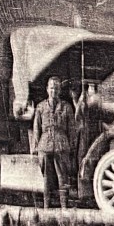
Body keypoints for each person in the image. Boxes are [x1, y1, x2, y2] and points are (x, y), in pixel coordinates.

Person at [31, 76, 74, 209]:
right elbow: (36, 128)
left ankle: (64, 207)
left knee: (63, 178)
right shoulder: (41, 107)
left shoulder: (66, 107)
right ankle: (46, 207)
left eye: (56, 88)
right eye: (51, 88)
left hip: (61, 145)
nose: (53, 91)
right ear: (47, 89)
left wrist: (71, 147)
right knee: (46, 179)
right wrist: (35, 148)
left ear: (60, 90)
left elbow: (71, 129)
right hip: (44, 146)